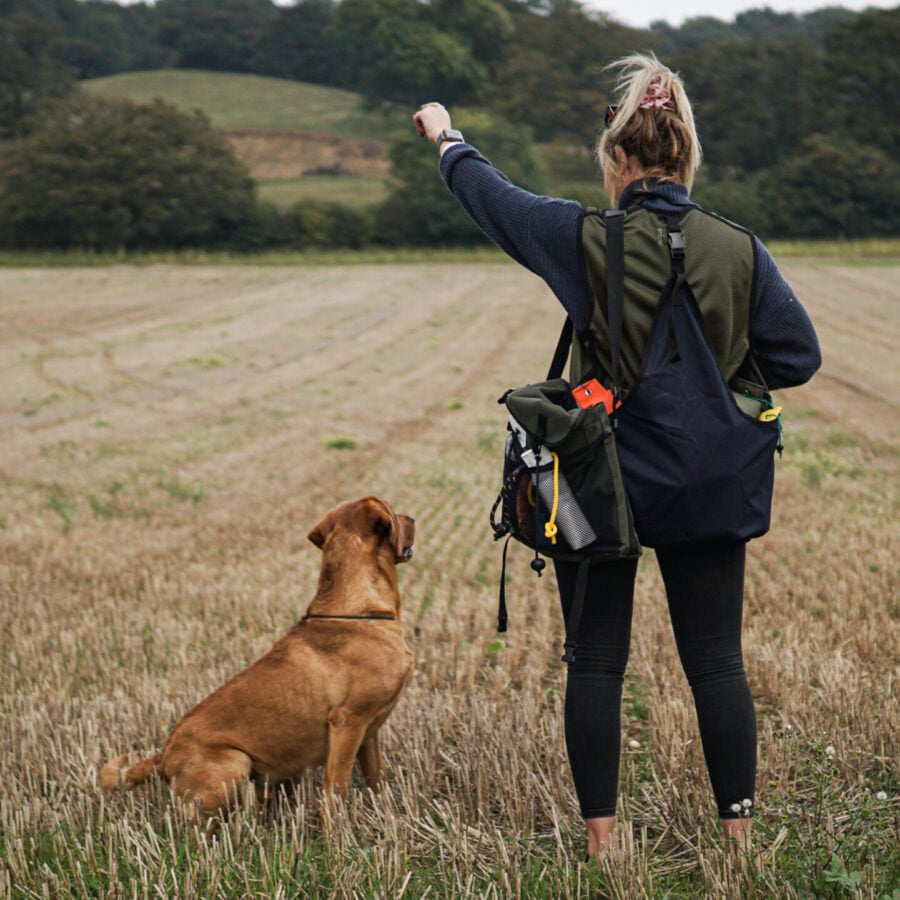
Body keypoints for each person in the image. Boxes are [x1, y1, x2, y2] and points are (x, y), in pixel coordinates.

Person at [413, 53, 821, 859]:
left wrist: (445, 136)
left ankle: (603, 843)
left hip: (606, 484)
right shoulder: (739, 247)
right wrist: (716, 383)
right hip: (713, 480)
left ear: (618, 160)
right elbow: (798, 356)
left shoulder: (582, 238)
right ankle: (737, 837)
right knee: (716, 661)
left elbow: (493, 201)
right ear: (686, 156)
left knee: (595, 662)